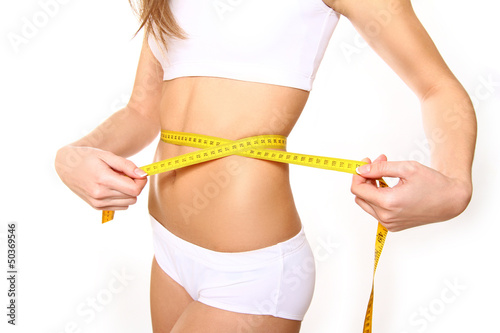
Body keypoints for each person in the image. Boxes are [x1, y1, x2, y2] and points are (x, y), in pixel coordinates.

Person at [54, 0, 476, 332]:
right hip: (167, 248)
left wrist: (456, 186)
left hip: (251, 271)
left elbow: (438, 88)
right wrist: (71, 156)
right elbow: (142, 111)